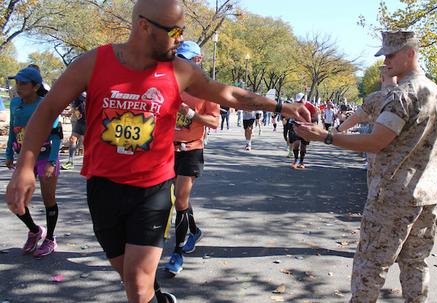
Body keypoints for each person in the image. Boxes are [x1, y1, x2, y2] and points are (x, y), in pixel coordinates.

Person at [5, 1, 309, 302]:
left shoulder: (180, 71)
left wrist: (281, 106)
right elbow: (47, 111)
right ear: (144, 26)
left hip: (153, 190)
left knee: (137, 287)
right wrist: (24, 167)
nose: (180, 37)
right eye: (175, 30)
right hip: (103, 189)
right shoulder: (94, 62)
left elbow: (229, 93)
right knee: (131, 279)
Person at [295, 31, 437, 303]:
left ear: (410, 53)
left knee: (371, 264)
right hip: (426, 195)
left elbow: (376, 141)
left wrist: (326, 136)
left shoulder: (403, 95)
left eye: (390, 54)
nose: (385, 61)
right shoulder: (434, 92)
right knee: (415, 263)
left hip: (392, 196)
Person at [165, 41, 220, 275]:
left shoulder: (207, 90)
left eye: (186, 59)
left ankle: (176, 253)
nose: (182, 63)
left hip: (191, 150)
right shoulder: (169, 84)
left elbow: (215, 122)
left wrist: (190, 113)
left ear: (198, 60)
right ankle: (194, 231)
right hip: (166, 150)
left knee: (180, 200)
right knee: (178, 201)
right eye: (179, 58)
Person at [5, 67, 61, 258]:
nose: (18, 87)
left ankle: (50, 239)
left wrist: (52, 162)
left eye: (23, 83)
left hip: (46, 157)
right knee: (15, 200)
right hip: (24, 157)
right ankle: (35, 230)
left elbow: (57, 135)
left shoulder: (46, 104)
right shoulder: (14, 103)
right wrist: (9, 154)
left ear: (35, 86)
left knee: (48, 200)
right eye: (16, 83)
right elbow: (13, 129)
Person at [288, 93, 319, 169]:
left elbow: (316, 117)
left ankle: (301, 162)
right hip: (296, 126)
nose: (299, 102)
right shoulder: (294, 105)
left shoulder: (310, 106)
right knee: (296, 143)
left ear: (304, 98)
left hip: (306, 128)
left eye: (300, 100)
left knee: (303, 146)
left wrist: (308, 121)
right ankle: (295, 160)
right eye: (297, 101)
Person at [61, 93, 86, 170]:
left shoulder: (93, 94)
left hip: (90, 122)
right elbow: (74, 108)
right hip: (80, 122)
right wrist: (67, 113)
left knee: (87, 143)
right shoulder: (77, 97)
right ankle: (70, 162)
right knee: (72, 139)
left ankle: (88, 163)